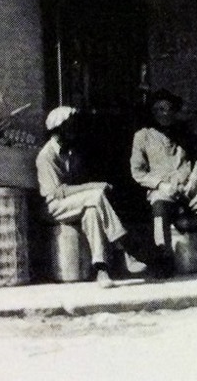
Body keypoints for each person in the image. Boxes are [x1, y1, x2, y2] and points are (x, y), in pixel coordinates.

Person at [131, 90, 197, 276]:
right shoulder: (142, 136)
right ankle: (164, 261)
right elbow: (138, 172)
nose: (164, 113)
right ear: (152, 112)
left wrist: (192, 184)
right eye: (159, 109)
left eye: (168, 109)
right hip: (163, 189)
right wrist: (161, 185)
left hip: (190, 186)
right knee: (159, 212)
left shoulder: (187, 132)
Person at [36, 106, 129, 289]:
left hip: (75, 204)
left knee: (93, 210)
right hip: (54, 207)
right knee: (95, 196)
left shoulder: (72, 152)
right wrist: (95, 186)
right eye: (69, 126)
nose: (74, 129)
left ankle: (101, 269)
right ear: (57, 129)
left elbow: (77, 186)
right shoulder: (46, 156)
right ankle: (122, 246)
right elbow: (58, 192)